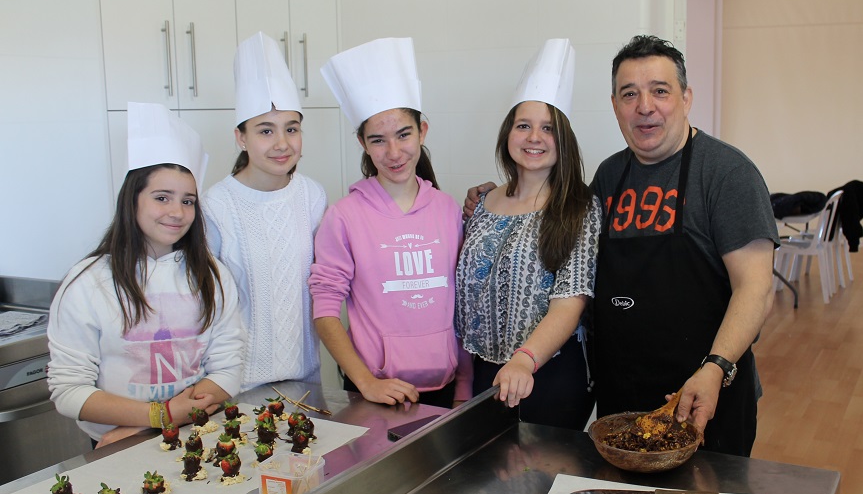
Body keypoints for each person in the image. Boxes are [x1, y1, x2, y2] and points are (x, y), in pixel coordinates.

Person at [467, 35, 779, 456]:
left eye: (660, 91)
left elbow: (756, 289)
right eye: (629, 94)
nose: (644, 106)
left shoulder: (727, 173)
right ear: (614, 105)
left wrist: (715, 368)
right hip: (622, 395)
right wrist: (493, 199)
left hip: (703, 391)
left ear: (686, 98)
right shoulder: (610, 177)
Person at [47, 102, 244, 447]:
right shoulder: (88, 282)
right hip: (117, 443)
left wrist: (165, 420)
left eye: (188, 201)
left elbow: (228, 368)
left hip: (198, 431)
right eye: (162, 197)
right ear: (132, 200)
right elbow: (69, 391)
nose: (177, 212)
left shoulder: (212, 275)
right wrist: (157, 417)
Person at [310, 37, 472, 408]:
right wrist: (365, 382)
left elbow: (462, 306)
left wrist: (464, 381)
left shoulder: (447, 209)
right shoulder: (344, 216)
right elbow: (325, 310)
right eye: (378, 140)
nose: (394, 153)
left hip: (445, 386)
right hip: (374, 390)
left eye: (404, 135)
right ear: (363, 144)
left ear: (422, 131)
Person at [455, 39, 601, 431]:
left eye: (548, 128)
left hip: (547, 374)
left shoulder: (580, 209)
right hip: (483, 373)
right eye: (524, 126)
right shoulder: (481, 204)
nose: (534, 137)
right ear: (508, 134)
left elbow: (570, 301)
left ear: (563, 140)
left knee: (537, 484)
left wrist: (524, 359)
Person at [203, 32, 327, 391]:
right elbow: (206, 306)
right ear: (241, 137)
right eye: (265, 131)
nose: (282, 144)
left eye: (292, 128)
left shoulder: (312, 196)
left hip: (307, 377)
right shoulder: (216, 206)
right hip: (234, 385)